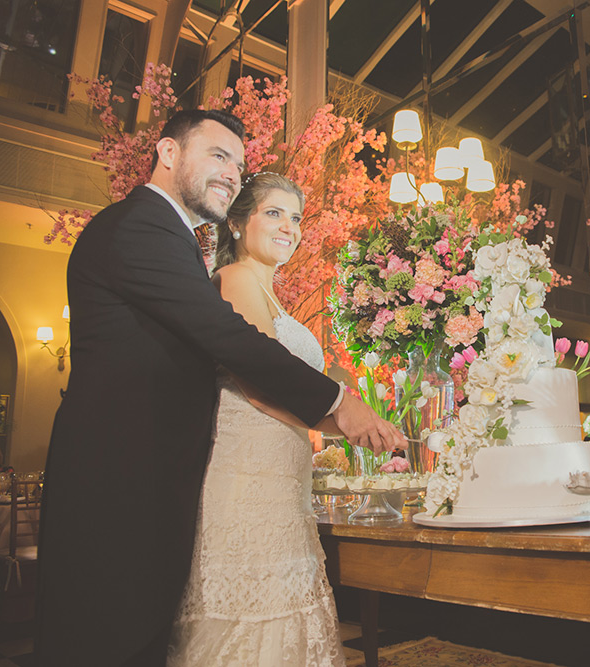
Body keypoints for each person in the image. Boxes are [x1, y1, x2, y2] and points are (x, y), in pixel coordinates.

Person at [36, 109, 405, 667]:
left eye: (238, 162)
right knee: (105, 640)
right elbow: (225, 336)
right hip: (117, 481)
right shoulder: (138, 225)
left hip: (158, 480)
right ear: (167, 152)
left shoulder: (177, 240)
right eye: (218, 155)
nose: (233, 172)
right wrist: (338, 406)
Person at [168, 173, 344, 665]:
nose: (289, 226)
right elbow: (263, 387)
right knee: (250, 613)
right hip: (247, 476)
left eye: (296, 217)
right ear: (239, 223)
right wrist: (346, 420)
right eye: (274, 213)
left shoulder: (272, 297)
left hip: (281, 478)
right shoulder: (236, 278)